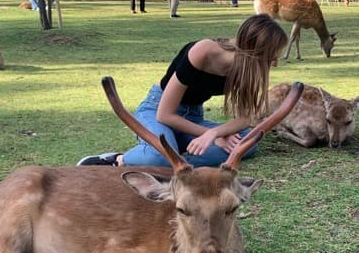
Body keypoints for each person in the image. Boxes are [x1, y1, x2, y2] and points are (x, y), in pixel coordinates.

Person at [78, 14, 288, 169]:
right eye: (272, 59)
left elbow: (246, 119)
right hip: (156, 111)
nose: (275, 65)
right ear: (255, 53)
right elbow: (165, 114)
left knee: (247, 144)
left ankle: (173, 157)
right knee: (159, 156)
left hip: (192, 118)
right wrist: (212, 136)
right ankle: (119, 159)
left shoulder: (250, 71)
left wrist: (216, 133)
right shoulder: (203, 51)